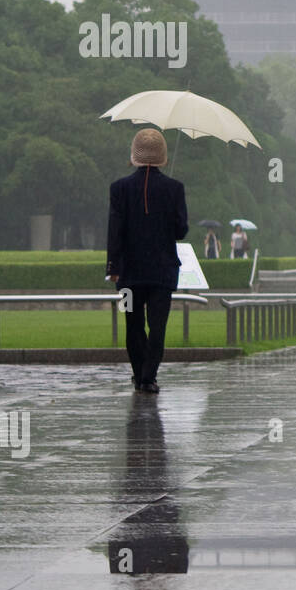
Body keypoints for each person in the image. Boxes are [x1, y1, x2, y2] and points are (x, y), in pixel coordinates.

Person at [106, 128, 189, 393]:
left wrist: (113, 267)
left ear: (135, 156)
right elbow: (180, 231)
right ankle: (148, 376)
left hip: (129, 273)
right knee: (158, 325)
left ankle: (138, 372)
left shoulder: (119, 188)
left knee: (132, 324)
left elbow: (114, 231)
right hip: (162, 273)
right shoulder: (175, 188)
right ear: (162, 156)